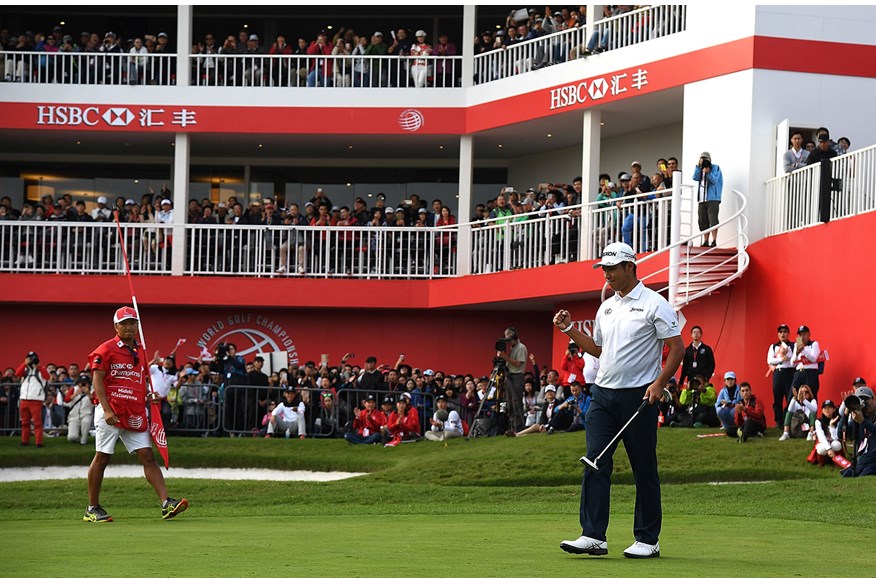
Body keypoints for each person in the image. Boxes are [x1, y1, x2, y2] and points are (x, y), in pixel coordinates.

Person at [555, 241, 683, 559]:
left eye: (612, 268)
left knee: (643, 468)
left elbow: (678, 347)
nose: (607, 275)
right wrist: (570, 329)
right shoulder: (606, 307)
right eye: (605, 269)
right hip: (602, 395)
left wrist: (660, 383)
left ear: (630, 267)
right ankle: (593, 535)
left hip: (638, 396)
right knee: (595, 463)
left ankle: (647, 539)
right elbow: (600, 350)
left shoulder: (655, 303)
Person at [84, 306, 188, 522]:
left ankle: (166, 503)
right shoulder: (105, 349)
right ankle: (92, 508)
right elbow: (97, 380)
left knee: (147, 456)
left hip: (135, 411)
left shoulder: (141, 351)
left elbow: (139, 379)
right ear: (116, 326)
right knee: (103, 456)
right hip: (112, 411)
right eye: (124, 323)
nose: (129, 327)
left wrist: (150, 396)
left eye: (133, 323)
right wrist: (107, 410)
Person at [495, 326, 528, 435]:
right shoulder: (512, 347)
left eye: (508, 337)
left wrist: (505, 357)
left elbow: (518, 363)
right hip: (509, 375)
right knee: (509, 403)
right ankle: (512, 427)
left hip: (517, 376)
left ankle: (519, 428)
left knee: (516, 402)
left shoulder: (521, 347)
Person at [15, 351, 50, 447]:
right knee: (25, 422)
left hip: (36, 400)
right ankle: (24, 441)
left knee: (37, 423)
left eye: (33, 358)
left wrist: (39, 366)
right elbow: (17, 374)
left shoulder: (41, 370)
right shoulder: (25, 370)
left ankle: (38, 442)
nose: (31, 360)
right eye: (29, 358)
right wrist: (24, 364)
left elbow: (47, 377)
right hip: (24, 399)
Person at [841, 387, 876, 477]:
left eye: (866, 399)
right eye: (861, 399)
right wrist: (845, 415)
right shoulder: (858, 419)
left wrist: (862, 421)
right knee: (845, 476)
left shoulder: (861, 420)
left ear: (874, 399)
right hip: (860, 462)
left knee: (863, 477)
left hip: (873, 462)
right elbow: (841, 434)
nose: (864, 402)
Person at [692, 152, 723, 247]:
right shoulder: (700, 168)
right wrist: (698, 167)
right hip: (702, 199)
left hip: (713, 198)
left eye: (705, 158)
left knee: (713, 220)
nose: (704, 160)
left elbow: (714, 180)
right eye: (702, 158)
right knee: (703, 220)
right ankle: (705, 241)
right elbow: (695, 177)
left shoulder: (715, 168)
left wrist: (708, 172)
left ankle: (714, 241)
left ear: (709, 159)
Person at [767, 323, 795, 427]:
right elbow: (770, 360)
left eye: (785, 332)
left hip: (790, 372)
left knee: (790, 398)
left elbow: (795, 359)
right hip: (778, 373)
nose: (783, 334)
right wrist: (781, 359)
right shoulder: (773, 346)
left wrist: (788, 355)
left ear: (788, 334)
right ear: (778, 334)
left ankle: (786, 419)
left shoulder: (793, 345)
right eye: (780, 332)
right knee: (777, 397)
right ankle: (778, 421)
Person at [791, 325, 822, 401]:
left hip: (810, 373)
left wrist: (803, 351)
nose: (802, 337)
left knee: (811, 396)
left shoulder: (814, 344)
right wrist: (796, 353)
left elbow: (814, 358)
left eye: (804, 334)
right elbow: (792, 363)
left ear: (809, 334)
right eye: (800, 335)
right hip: (799, 373)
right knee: (793, 396)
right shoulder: (796, 345)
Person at [64, 374, 95, 445]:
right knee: (72, 437)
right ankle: (77, 438)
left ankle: (84, 440)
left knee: (86, 422)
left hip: (86, 414)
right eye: (81, 383)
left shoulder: (93, 390)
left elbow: (95, 402)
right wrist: (75, 394)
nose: (82, 385)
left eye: (85, 383)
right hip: (73, 416)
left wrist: (88, 393)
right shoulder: (74, 389)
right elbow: (66, 400)